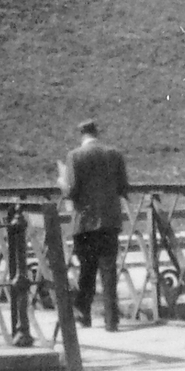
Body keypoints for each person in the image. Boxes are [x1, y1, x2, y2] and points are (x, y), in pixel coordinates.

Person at [62, 120, 130, 332]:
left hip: (85, 222)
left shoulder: (75, 156)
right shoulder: (114, 154)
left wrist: (62, 184)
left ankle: (84, 314)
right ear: (97, 132)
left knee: (87, 269)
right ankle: (112, 320)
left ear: (81, 134)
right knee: (109, 270)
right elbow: (123, 187)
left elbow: (71, 190)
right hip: (110, 221)